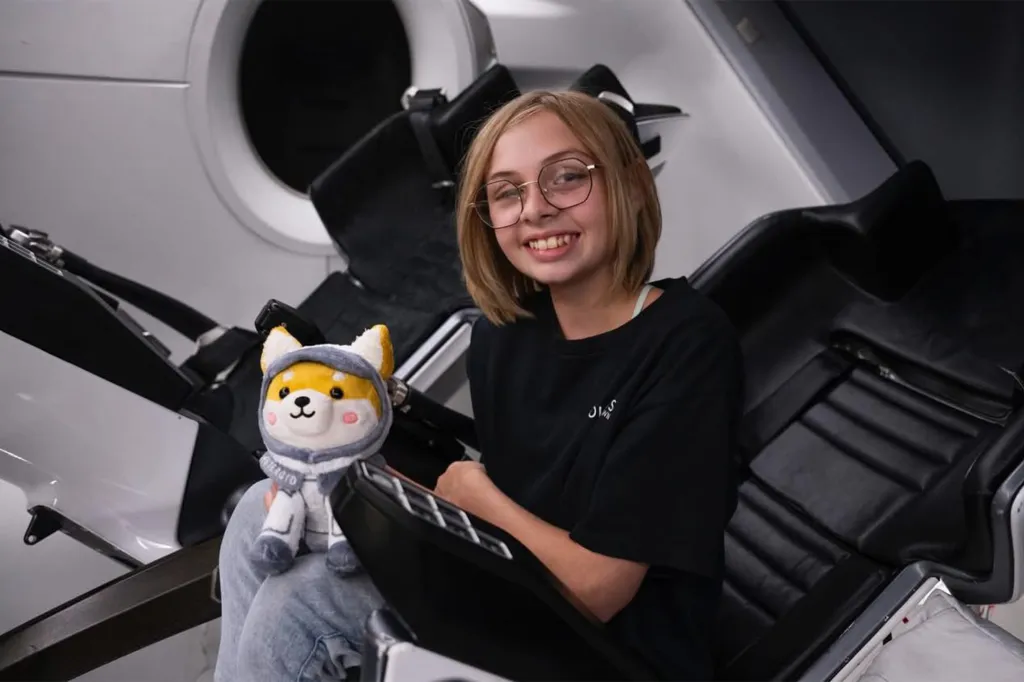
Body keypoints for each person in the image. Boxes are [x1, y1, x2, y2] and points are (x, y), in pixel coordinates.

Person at [214, 88, 743, 682]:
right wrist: (368, 494)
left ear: (627, 182)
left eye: (567, 178)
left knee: (303, 606)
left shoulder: (686, 344)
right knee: (249, 527)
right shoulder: (504, 337)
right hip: (512, 583)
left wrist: (475, 493)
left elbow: (597, 590)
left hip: (610, 649)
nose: (536, 209)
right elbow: (518, 510)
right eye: (507, 193)